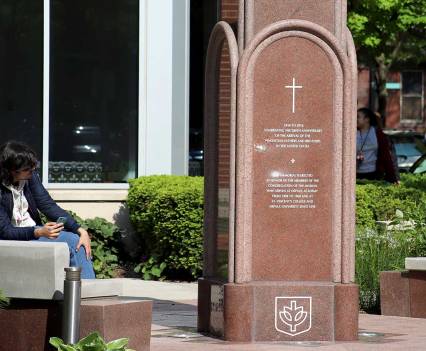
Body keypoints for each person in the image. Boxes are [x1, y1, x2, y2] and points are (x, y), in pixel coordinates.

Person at [0, 141, 95, 279]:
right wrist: (38, 232)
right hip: (12, 237)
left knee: (76, 240)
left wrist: (80, 229)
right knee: (70, 241)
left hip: (34, 232)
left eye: (33, 168)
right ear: (11, 170)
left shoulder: (29, 178)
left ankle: (88, 289)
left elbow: (47, 205)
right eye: (27, 169)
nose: (32, 172)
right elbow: (5, 231)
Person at [356, 108, 399, 184]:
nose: (355, 119)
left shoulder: (377, 134)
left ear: (367, 119)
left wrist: (393, 178)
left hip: (374, 175)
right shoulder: (352, 133)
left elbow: (387, 156)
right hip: (355, 174)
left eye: (358, 117)